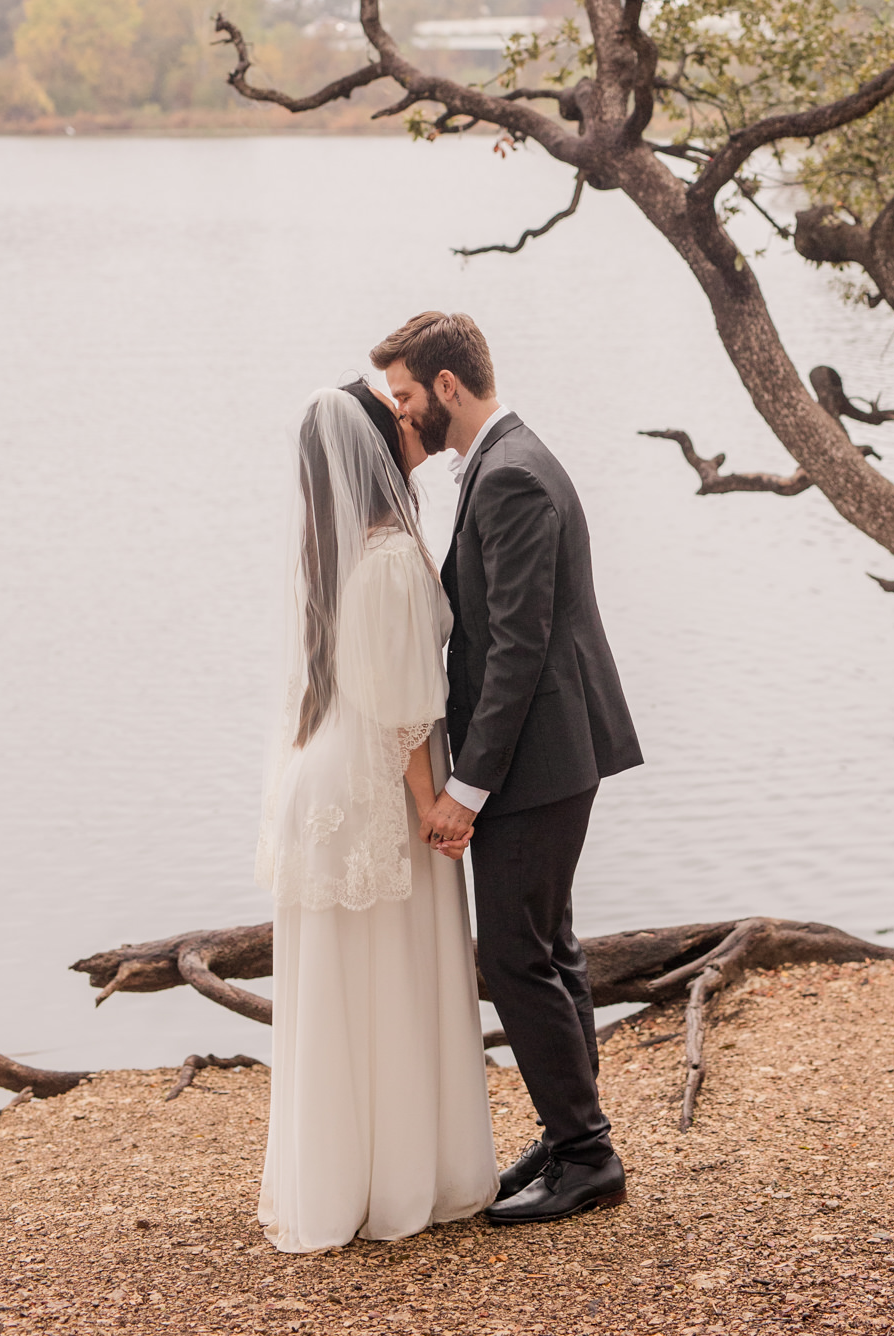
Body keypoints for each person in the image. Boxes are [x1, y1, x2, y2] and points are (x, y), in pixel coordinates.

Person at [370, 311, 643, 1227]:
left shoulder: (513, 477)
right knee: (549, 947)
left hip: (540, 753)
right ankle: (573, 1134)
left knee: (516, 955)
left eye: (406, 394)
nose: (402, 413)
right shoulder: (507, 459)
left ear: (447, 386)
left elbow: (517, 649)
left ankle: (587, 1154)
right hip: (551, 747)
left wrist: (460, 791)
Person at [256, 380, 498, 1253]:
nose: (409, 422)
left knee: (340, 994)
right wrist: (435, 804)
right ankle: (402, 1183)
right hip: (374, 789)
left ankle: (332, 1184)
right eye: (393, 418)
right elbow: (402, 707)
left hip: (317, 783)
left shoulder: (328, 553)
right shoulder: (392, 553)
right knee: (395, 980)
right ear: (367, 450)